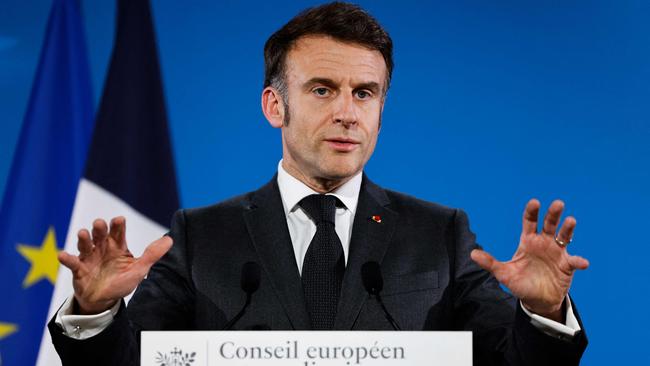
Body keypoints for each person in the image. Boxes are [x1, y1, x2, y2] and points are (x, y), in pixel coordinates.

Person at [49, 2, 589, 365]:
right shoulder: (200, 236)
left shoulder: (441, 235)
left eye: (365, 93)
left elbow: (506, 359)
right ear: (274, 105)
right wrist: (95, 314)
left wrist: (542, 314)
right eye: (324, 89)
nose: (348, 113)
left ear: (381, 110)